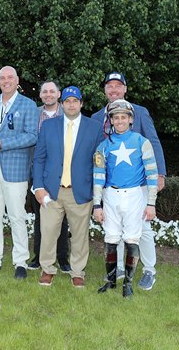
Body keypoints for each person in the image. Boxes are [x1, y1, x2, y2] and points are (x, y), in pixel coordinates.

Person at [92, 72, 166, 290]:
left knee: (142, 228)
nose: (113, 90)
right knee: (117, 228)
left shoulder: (140, 112)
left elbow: (153, 141)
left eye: (118, 86)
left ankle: (149, 270)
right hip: (111, 185)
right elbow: (96, 152)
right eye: (109, 86)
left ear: (125, 89)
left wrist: (160, 173)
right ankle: (121, 268)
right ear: (105, 90)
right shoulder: (97, 117)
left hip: (139, 184)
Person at [33, 86, 103, 288]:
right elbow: (39, 158)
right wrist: (38, 187)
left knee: (80, 235)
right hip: (51, 190)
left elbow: (99, 162)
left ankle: (77, 271)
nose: (71, 104)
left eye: (75, 101)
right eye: (67, 101)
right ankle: (47, 269)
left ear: (81, 103)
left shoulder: (94, 127)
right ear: (62, 104)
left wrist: (96, 191)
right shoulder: (49, 126)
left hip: (80, 191)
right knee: (48, 232)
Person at [0, 66, 39, 280]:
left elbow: (32, 136)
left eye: (10, 78)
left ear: (17, 80)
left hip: (15, 170)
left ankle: (20, 262)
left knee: (17, 217)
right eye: (2, 78)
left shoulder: (29, 105)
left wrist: (3, 143)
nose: (6, 81)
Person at [28, 81, 71, 273]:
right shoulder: (34, 114)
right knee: (40, 217)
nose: (48, 94)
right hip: (37, 173)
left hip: (61, 175)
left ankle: (62, 258)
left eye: (52, 91)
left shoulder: (69, 114)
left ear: (58, 94)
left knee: (62, 219)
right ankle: (38, 256)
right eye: (44, 91)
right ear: (40, 94)